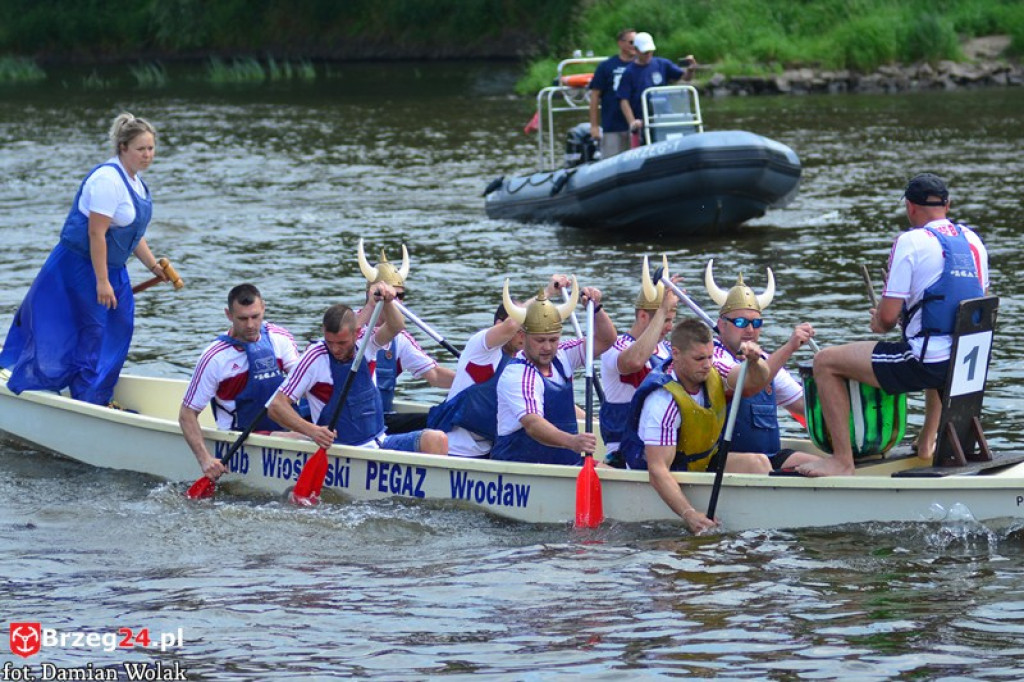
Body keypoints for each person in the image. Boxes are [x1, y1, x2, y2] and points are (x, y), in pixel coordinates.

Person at [798, 173, 989, 477]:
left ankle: (842, 461)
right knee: (940, 350)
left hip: (927, 363)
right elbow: (976, 303)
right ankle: (927, 442)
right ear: (948, 205)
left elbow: (886, 320)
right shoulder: (973, 240)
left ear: (910, 207)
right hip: (969, 362)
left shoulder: (910, 241)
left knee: (825, 361)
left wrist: (880, 319)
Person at [0, 112, 166, 405]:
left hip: (112, 268)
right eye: (141, 148)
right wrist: (102, 282)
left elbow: (133, 233)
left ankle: (99, 392)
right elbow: (96, 234)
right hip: (81, 266)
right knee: (94, 330)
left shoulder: (136, 183)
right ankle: (85, 397)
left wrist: (153, 265)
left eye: (151, 148)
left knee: (121, 326)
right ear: (123, 148)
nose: (147, 155)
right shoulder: (107, 180)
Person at [618, 318, 776, 533]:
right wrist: (689, 514)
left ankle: (766, 526)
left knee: (758, 463)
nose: (707, 364)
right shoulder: (663, 401)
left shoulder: (713, 370)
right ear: (675, 354)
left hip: (698, 463)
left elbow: (756, 381)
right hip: (659, 476)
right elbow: (657, 470)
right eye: (699, 358)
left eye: (710, 356)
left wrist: (755, 362)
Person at [268, 283, 448, 455]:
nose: (335, 349)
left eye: (342, 343)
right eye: (330, 342)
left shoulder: (366, 343)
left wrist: (388, 302)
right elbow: (276, 406)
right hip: (341, 449)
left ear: (356, 333)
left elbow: (396, 326)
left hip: (380, 442)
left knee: (436, 439)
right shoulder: (314, 357)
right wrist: (313, 431)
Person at [427, 274, 566, 458]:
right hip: (454, 450)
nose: (523, 335)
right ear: (499, 324)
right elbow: (512, 323)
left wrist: (592, 420)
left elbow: (556, 398)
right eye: (521, 329)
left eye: (527, 330)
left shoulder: (523, 366)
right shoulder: (480, 349)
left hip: (492, 451)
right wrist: (546, 294)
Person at [705, 260, 822, 471]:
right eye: (740, 322)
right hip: (722, 457)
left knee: (819, 465)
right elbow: (748, 385)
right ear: (721, 325)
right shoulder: (712, 356)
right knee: (759, 463)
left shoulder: (767, 359)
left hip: (768, 456)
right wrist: (790, 347)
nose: (750, 329)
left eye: (756, 323)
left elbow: (805, 406)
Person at [179, 284, 300, 481]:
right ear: (229, 315)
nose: (250, 325)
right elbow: (187, 415)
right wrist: (205, 459)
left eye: (255, 316)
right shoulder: (215, 358)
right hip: (240, 437)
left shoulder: (281, 339)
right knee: (308, 437)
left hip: (283, 429)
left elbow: (305, 385)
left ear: (263, 308)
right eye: (243, 319)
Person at [492, 277, 616, 465]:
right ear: (523, 337)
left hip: (564, 464)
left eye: (553, 340)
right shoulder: (518, 374)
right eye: (540, 340)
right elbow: (533, 424)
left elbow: (606, 340)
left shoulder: (563, 355)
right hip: (521, 466)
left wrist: (596, 309)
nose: (548, 347)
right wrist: (572, 442)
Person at [355, 240, 454, 432]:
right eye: (392, 295)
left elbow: (434, 375)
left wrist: (475, 380)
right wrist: (371, 305)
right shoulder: (349, 320)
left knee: (440, 419)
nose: (396, 301)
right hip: (346, 422)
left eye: (400, 296)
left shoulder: (399, 338)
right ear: (371, 293)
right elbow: (346, 339)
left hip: (380, 421)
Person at [599, 255, 678, 465]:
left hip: (660, 442)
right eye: (665, 320)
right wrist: (662, 309)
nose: (669, 327)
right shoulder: (615, 347)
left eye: (671, 320)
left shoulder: (667, 349)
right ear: (643, 316)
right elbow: (635, 362)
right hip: (625, 450)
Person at [615, 32, 696, 142]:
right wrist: (632, 122)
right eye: (645, 52)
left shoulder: (662, 64)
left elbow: (684, 77)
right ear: (636, 50)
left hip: (663, 117)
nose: (648, 54)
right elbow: (623, 99)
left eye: (650, 51)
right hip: (643, 120)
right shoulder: (629, 72)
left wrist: (690, 70)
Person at [588, 27, 636, 159]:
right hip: (613, 124)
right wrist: (594, 126)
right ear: (621, 43)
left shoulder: (642, 65)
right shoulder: (606, 66)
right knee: (612, 158)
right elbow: (595, 96)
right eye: (631, 42)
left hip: (638, 123)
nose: (635, 46)